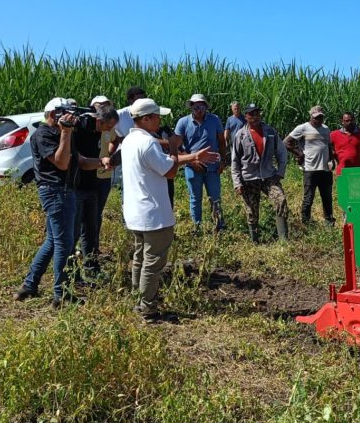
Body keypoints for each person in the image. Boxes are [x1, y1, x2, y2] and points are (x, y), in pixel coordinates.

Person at [121, 98, 219, 320]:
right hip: (153, 214)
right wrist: (174, 145)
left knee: (140, 257)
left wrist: (193, 156)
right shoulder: (148, 143)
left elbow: (163, 163)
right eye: (156, 117)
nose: (159, 121)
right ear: (146, 119)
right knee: (153, 262)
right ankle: (148, 307)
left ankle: (139, 297)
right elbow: (170, 171)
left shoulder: (129, 141)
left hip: (136, 212)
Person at [15, 98, 109, 307]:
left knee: (52, 241)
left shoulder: (64, 134)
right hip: (56, 192)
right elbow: (61, 162)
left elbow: (81, 162)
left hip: (67, 191)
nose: (71, 117)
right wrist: (66, 133)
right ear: (52, 114)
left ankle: (29, 285)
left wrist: (104, 161)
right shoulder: (44, 134)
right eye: (65, 113)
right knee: (63, 244)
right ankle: (62, 294)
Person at [72, 103, 119, 277]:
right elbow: (82, 162)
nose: (109, 130)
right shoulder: (80, 130)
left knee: (91, 231)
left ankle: (92, 269)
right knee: (74, 232)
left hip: (93, 185)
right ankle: (71, 274)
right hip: (76, 187)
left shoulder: (99, 131)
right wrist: (101, 162)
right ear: (99, 121)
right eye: (108, 126)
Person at [231, 103, 289, 242]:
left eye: (257, 113)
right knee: (251, 210)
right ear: (246, 116)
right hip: (249, 178)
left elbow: (281, 152)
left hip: (268, 176)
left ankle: (283, 240)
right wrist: (237, 182)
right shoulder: (240, 135)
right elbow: (235, 161)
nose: (255, 117)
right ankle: (255, 241)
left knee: (280, 200)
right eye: (251, 114)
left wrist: (280, 172)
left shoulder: (270, 131)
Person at [175, 93, 226, 231]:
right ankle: (196, 227)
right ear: (191, 107)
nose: (199, 108)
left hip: (213, 167)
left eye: (201, 105)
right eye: (196, 106)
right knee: (195, 198)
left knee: (215, 198)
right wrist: (192, 161)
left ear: (205, 107)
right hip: (192, 168)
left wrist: (223, 160)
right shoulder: (183, 122)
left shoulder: (214, 120)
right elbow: (177, 146)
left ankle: (219, 226)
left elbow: (221, 141)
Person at [286, 105, 336, 225]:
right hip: (310, 169)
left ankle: (329, 223)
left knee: (327, 198)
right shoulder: (303, 128)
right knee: (309, 198)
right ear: (311, 117)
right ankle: (306, 223)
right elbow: (286, 142)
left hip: (325, 169)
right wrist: (299, 153)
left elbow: (328, 146)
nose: (319, 120)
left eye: (321, 117)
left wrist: (331, 159)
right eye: (316, 118)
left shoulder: (326, 129)